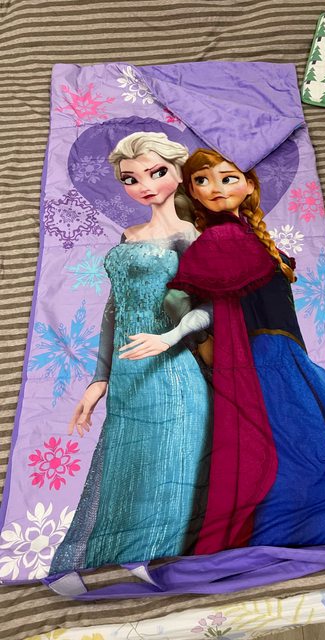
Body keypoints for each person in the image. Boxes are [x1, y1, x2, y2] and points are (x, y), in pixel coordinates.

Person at [168, 148, 325, 555]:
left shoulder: (244, 235)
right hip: (263, 354)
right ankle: (297, 528)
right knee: (294, 439)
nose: (216, 187)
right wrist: (205, 346)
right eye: (202, 180)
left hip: (284, 351)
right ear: (191, 193)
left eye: (227, 178)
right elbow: (178, 300)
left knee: (317, 430)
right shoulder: (219, 238)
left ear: (249, 185)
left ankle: (311, 525)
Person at [50, 133, 212, 574]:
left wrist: (171, 336)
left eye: (157, 172)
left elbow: (212, 307)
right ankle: (106, 562)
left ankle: (153, 560)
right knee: (124, 468)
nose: (146, 185)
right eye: (131, 178)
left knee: (168, 469)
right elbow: (115, 308)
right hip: (127, 374)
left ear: (178, 172)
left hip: (173, 372)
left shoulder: (191, 237)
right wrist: (99, 378)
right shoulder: (130, 235)